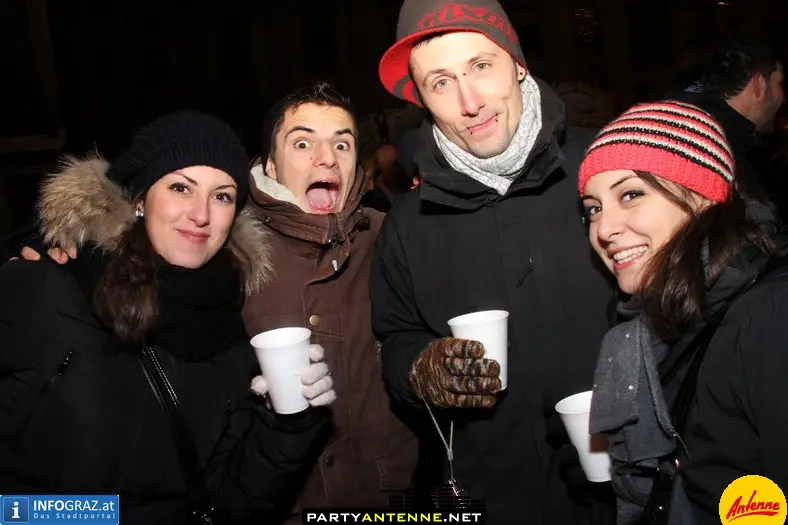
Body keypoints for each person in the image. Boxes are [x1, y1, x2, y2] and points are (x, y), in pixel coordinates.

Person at [0, 111, 336, 524]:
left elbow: (231, 505)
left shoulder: (230, 331)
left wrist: (287, 426)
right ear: (139, 198)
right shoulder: (51, 286)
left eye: (223, 195)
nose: (201, 214)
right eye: (181, 187)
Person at [371, 1, 617, 524]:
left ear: (518, 66)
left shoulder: (604, 171)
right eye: (441, 83)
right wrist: (421, 368)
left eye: (481, 67)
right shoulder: (408, 221)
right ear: (423, 102)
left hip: (625, 495)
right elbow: (394, 340)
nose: (471, 102)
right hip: (491, 500)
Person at [579, 100, 788, 525]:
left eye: (631, 194)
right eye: (593, 208)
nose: (603, 228)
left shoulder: (768, 317)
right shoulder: (663, 324)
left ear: (702, 195)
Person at [243, 82, 419, 522]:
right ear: (270, 164)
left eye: (341, 143)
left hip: (386, 497)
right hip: (282, 504)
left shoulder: (389, 236)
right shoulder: (229, 249)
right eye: (302, 143)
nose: (326, 158)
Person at [670, 38, 785, 215]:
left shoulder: (685, 117)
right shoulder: (721, 151)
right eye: (781, 86)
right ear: (759, 84)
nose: (784, 98)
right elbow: (760, 228)